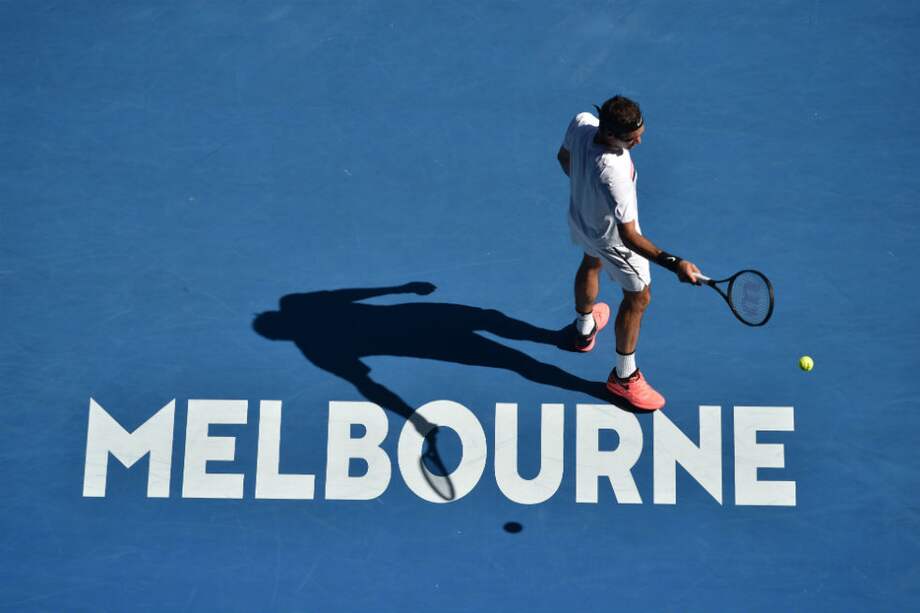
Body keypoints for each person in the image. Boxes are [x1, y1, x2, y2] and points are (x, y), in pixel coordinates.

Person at [556, 95, 700, 410]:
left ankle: (584, 330)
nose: (639, 141)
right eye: (631, 139)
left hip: (581, 218)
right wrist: (675, 263)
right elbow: (630, 237)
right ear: (609, 133)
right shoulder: (613, 172)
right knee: (638, 297)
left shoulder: (582, 122)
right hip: (613, 240)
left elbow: (563, 158)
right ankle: (624, 376)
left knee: (590, 262)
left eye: (640, 133)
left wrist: (587, 188)